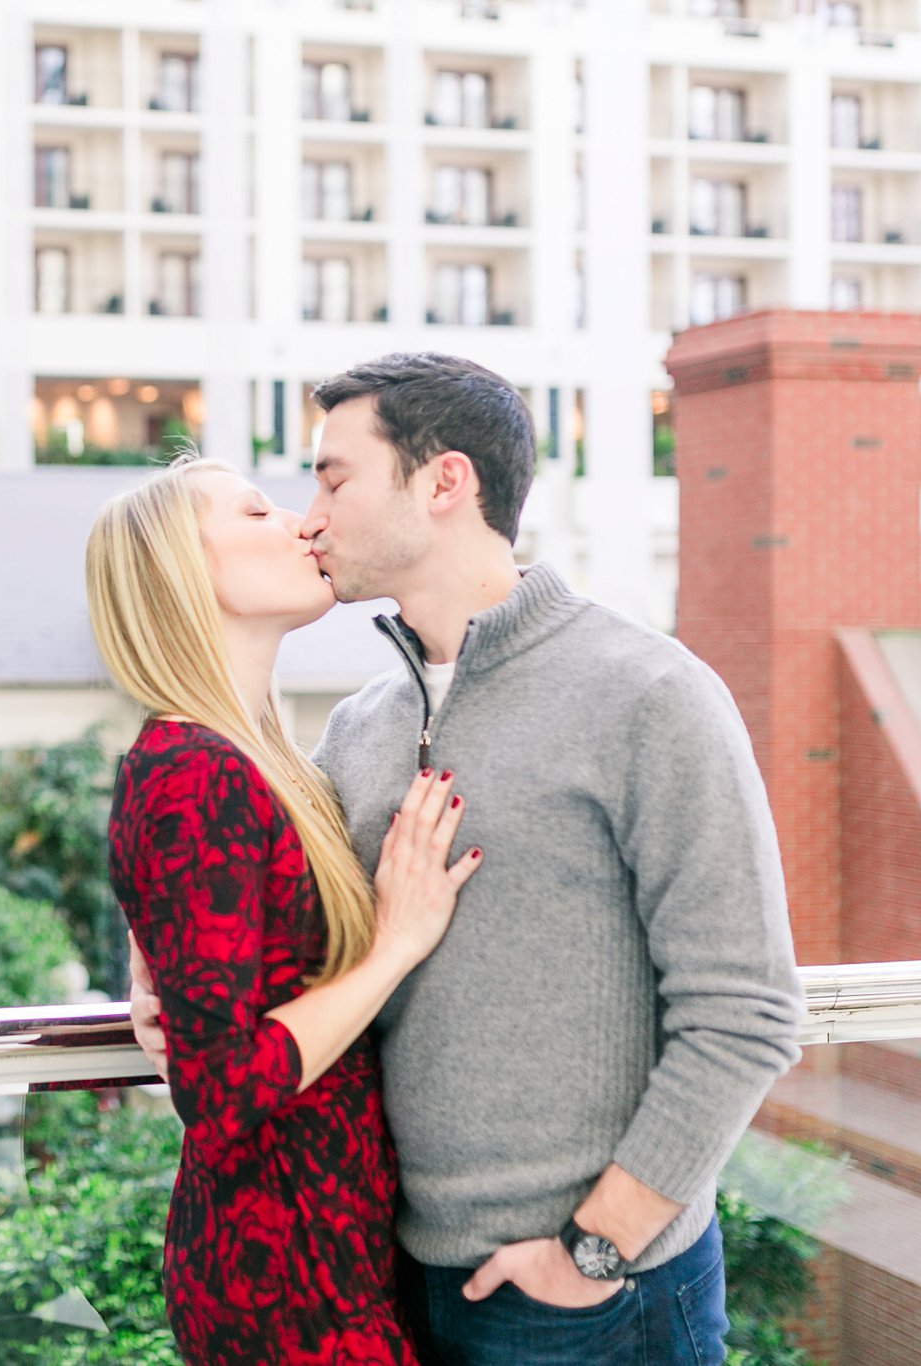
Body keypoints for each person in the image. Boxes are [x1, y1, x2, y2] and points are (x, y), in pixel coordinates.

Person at [129, 353, 806, 1365]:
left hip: (590, 1297)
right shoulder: (358, 729)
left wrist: (594, 1246)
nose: (308, 517)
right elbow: (267, 920)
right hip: (391, 1279)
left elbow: (744, 1010)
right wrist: (151, 968)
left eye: (332, 479)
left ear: (443, 482)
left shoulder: (649, 695)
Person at [88, 455, 483, 1363]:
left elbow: (223, 985)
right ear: (180, 571)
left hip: (323, 1254)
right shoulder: (195, 775)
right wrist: (396, 944)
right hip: (282, 1280)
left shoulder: (263, 765)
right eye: (257, 511)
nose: (303, 525)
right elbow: (218, 1093)